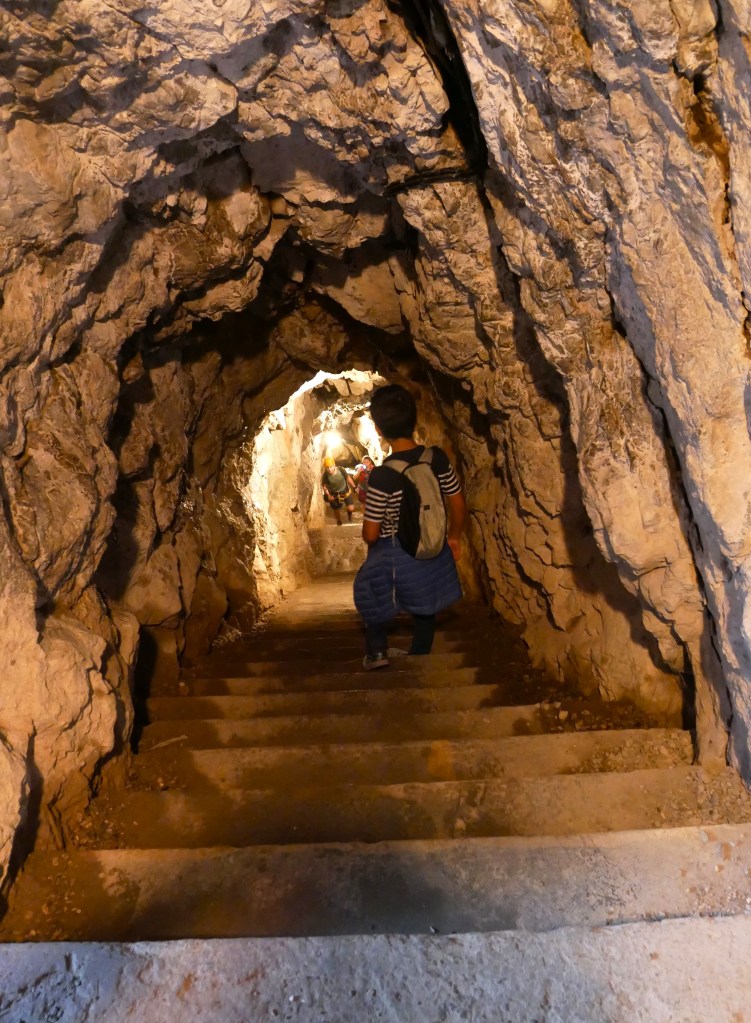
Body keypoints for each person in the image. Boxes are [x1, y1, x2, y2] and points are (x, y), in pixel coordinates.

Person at [353, 384, 465, 669]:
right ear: (414, 421)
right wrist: (453, 537)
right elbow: (457, 500)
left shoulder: (381, 476)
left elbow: (370, 534)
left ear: (378, 430)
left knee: (370, 591)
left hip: (395, 550)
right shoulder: (436, 458)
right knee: (426, 599)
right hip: (433, 542)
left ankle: (377, 652)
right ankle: (420, 652)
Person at [321, 455, 356, 525]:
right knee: (336, 508)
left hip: (345, 491)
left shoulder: (341, 469)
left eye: (330, 467)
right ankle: (339, 521)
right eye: (327, 467)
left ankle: (349, 514)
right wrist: (328, 495)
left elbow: (348, 478)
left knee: (351, 508)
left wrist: (354, 486)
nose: (329, 469)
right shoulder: (325, 475)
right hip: (334, 494)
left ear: (334, 465)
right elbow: (324, 486)